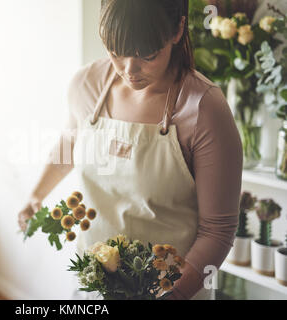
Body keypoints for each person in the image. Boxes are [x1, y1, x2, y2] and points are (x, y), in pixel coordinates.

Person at [18, 0, 243, 300]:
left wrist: (172, 296)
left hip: (173, 290)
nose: (129, 70)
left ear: (178, 29)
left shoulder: (204, 109)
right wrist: (36, 195)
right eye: (115, 53)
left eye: (147, 56)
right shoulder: (87, 85)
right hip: (93, 288)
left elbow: (218, 231)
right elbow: (70, 145)